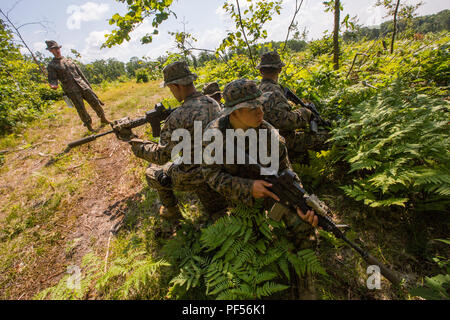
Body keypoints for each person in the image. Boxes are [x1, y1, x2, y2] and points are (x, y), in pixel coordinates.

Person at [201, 79, 320, 298]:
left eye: (261, 105)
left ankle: (306, 286)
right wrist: (247, 187)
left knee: (304, 226)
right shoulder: (214, 136)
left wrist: (302, 202)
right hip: (232, 198)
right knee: (245, 246)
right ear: (232, 113)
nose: (260, 111)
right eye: (253, 107)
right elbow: (210, 176)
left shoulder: (271, 135)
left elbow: (288, 174)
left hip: (269, 191)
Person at [113, 61, 228, 226]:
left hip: (197, 176)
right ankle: (217, 209)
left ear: (175, 86)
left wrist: (132, 139)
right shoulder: (213, 103)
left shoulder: (177, 117)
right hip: (220, 168)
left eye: (170, 88)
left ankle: (171, 210)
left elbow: (160, 156)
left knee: (154, 171)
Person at [257, 51, 329, 159]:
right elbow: (284, 122)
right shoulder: (274, 91)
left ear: (261, 71)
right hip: (277, 142)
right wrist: (305, 113)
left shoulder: (257, 89)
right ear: (280, 69)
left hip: (261, 140)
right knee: (327, 137)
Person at [45, 40, 110, 131]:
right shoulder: (51, 65)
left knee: (95, 101)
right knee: (81, 108)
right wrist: (53, 85)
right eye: (53, 49)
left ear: (59, 48)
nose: (56, 50)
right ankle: (89, 126)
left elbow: (81, 74)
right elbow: (52, 79)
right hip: (71, 90)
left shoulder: (69, 60)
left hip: (83, 85)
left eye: (57, 48)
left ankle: (103, 118)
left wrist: (88, 86)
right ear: (50, 51)